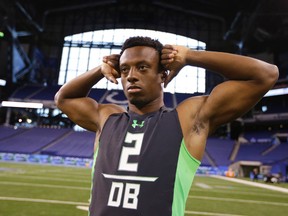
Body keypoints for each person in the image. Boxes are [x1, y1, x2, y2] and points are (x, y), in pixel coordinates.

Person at [54, 36, 278, 216]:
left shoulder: (188, 119)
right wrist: (98, 69)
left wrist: (189, 56)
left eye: (142, 67)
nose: (131, 76)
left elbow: (265, 75)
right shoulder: (107, 117)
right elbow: (63, 99)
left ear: (163, 74)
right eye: (124, 70)